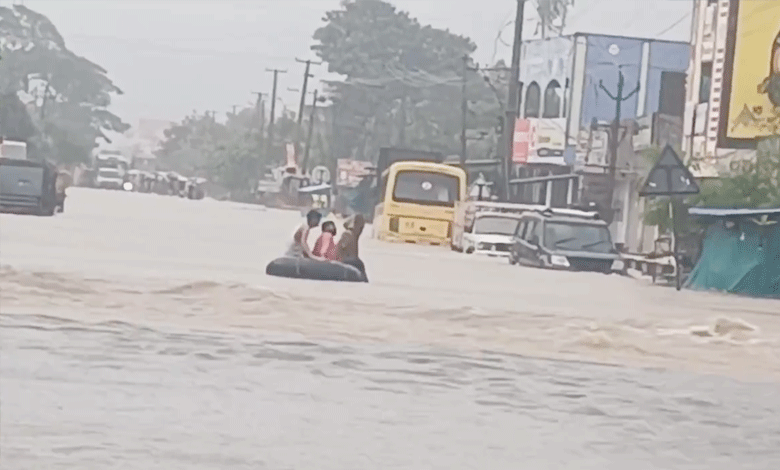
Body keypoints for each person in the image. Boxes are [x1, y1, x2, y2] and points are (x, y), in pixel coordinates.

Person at [336, 213, 367, 280]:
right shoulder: (347, 234)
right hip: (346, 260)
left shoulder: (354, 236)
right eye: (360, 227)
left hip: (352, 260)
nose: (361, 230)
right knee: (359, 264)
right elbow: (340, 247)